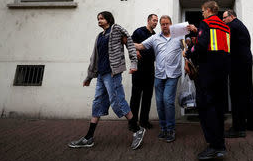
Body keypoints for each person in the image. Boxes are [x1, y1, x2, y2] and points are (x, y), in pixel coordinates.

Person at [68, 11, 145, 150]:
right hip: (101, 75)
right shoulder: (100, 36)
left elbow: (129, 42)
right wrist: (89, 77)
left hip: (113, 73)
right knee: (97, 103)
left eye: (102, 18)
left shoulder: (116, 29)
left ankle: (137, 130)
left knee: (118, 102)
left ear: (108, 19)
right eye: (98, 18)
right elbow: (94, 58)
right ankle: (89, 137)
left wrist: (134, 63)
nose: (99, 20)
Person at [185, 1, 231, 161]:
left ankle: (215, 146)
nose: (202, 14)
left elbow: (202, 46)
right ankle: (220, 143)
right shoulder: (225, 27)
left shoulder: (206, 23)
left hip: (208, 72)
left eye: (203, 10)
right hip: (222, 72)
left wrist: (189, 52)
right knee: (218, 108)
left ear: (209, 10)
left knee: (205, 107)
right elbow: (219, 46)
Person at [134, 15, 188, 143]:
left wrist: (186, 60)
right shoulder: (155, 38)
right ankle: (163, 128)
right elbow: (141, 46)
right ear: (160, 25)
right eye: (162, 24)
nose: (165, 26)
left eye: (167, 23)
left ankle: (171, 129)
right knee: (159, 103)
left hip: (173, 74)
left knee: (167, 100)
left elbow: (185, 49)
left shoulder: (179, 35)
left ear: (171, 24)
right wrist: (125, 41)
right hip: (159, 75)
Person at [222, 9, 253, 138]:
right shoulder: (240, 25)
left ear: (231, 17)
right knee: (248, 93)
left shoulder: (232, 26)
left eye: (224, 18)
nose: (223, 20)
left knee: (237, 95)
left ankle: (238, 128)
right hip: (246, 63)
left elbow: (224, 43)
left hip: (237, 65)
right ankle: (252, 123)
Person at [128, 14, 158, 131]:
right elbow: (129, 43)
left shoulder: (155, 36)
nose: (155, 23)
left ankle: (144, 121)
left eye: (156, 21)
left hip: (150, 69)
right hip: (139, 69)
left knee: (147, 96)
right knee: (135, 96)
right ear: (148, 20)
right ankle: (132, 122)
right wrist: (135, 50)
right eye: (154, 20)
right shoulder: (139, 31)